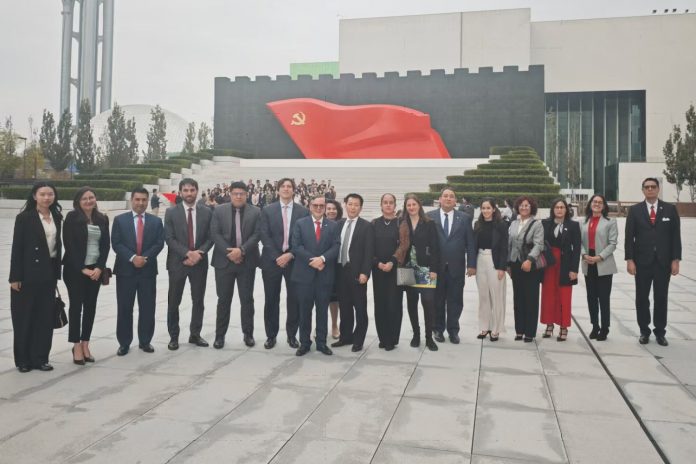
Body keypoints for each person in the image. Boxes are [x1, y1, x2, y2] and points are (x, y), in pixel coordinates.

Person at [9, 182, 63, 372]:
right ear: (34, 196)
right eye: (42, 194)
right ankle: (23, 360)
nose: (47, 198)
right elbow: (17, 249)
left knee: (44, 319)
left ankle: (40, 358)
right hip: (27, 275)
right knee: (24, 318)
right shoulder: (25, 218)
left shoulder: (57, 216)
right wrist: (14, 277)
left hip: (48, 275)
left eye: (50, 194)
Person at [625, 177, 682, 346]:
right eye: (647, 187)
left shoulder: (670, 210)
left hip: (663, 263)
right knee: (642, 298)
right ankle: (644, 331)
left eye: (653, 187)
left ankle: (660, 332)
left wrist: (676, 260)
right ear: (643, 190)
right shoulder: (635, 210)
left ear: (658, 189)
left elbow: (675, 237)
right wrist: (630, 260)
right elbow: (629, 238)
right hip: (641, 262)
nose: (650, 189)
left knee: (661, 297)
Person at [111, 187, 165, 356]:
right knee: (125, 308)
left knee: (148, 308)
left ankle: (145, 341)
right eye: (137, 199)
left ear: (148, 201)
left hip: (147, 271)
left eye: (144, 200)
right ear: (132, 200)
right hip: (125, 271)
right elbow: (116, 243)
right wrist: (133, 257)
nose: (141, 203)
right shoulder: (120, 220)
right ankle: (124, 343)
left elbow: (159, 243)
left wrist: (144, 258)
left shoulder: (156, 222)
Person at [259, 178, 309, 349]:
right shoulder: (267, 210)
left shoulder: (303, 211)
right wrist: (277, 256)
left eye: (289, 186)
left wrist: (290, 255)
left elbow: (304, 238)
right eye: (283, 186)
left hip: (294, 261)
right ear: (278, 190)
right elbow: (264, 235)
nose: (286, 189)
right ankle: (271, 335)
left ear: (294, 190)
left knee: (294, 299)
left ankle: (292, 335)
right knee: (271, 299)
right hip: (271, 261)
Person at [164, 178, 214, 351]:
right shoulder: (171, 213)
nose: (189, 193)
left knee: (198, 300)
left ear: (197, 191)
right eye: (185, 190)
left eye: (192, 190)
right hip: (178, 263)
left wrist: (199, 253)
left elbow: (211, 237)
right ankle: (174, 336)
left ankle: (195, 334)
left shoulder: (207, 212)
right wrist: (187, 253)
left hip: (199, 263)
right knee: (173, 301)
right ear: (180, 192)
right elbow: (169, 238)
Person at [211, 181, 261, 349]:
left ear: (246, 195)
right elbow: (215, 234)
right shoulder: (219, 210)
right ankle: (219, 336)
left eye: (242, 193)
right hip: (224, 262)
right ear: (230, 194)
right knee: (223, 300)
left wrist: (242, 251)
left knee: (247, 300)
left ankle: (248, 334)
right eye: (235, 193)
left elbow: (257, 235)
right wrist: (230, 253)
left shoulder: (256, 212)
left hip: (246, 262)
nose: (238, 196)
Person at [62, 187, 110, 364]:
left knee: (90, 307)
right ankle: (75, 345)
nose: (89, 201)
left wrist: (99, 267)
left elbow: (105, 246)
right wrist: (82, 268)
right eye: (84, 198)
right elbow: (69, 245)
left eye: (91, 197)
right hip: (75, 270)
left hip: (95, 269)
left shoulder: (102, 218)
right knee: (76, 307)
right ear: (78, 202)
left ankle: (85, 343)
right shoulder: (72, 218)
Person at [291, 195, 340, 356]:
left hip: (324, 276)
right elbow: (296, 246)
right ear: (310, 206)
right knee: (304, 311)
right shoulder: (300, 224)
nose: (319, 208)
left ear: (325, 207)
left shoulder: (332, 226)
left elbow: (336, 246)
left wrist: (322, 259)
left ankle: (321, 343)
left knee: (322, 311)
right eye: (315, 205)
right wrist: (313, 260)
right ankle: (304, 343)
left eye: (321, 206)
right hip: (304, 275)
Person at [427, 187, 476, 344]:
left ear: (456, 201)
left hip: (457, 267)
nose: (448, 198)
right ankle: (438, 329)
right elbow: (425, 243)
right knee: (437, 300)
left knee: (455, 301)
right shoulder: (430, 217)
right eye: (445, 196)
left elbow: (470, 243)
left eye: (451, 196)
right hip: (436, 268)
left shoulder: (464, 218)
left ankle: (453, 331)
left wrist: (472, 264)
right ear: (440, 199)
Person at [331, 193, 374, 352]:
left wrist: (365, 273)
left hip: (357, 273)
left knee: (360, 308)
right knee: (345, 306)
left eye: (356, 205)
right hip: (340, 271)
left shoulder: (366, 226)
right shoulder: (339, 224)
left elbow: (369, 252)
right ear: (345, 205)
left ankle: (358, 340)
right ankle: (345, 337)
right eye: (350, 204)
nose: (353, 207)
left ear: (360, 208)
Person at [402, 194, 440, 351]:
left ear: (419, 206)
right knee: (411, 303)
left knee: (428, 302)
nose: (411, 207)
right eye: (408, 205)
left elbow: (436, 248)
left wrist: (434, 270)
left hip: (425, 269)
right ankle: (416, 335)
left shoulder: (429, 223)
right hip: (406, 268)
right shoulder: (402, 223)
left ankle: (429, 337)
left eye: (414, 204)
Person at [372, 193, 409, 350]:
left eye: (391, 202)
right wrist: (378, 263)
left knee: (394, 304)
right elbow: (369, 246)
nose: (388, 205)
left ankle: (392, 339)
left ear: (395, 205)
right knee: (380, 305)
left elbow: (404, 244)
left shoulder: (401, 223)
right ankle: (383, 338)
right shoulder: (374, 223)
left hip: (396, 269)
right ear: (381, 205)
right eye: (385, 202)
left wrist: (392, 261)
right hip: (378, 270)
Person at [540, 198, 581, 341]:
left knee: (564, 295)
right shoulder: (545, 224)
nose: (559, 210)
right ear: (553, 209)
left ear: (566, 210)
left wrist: (574, 269)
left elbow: (576, 249)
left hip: (565, 264)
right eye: (557, 207)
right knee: (548, 294)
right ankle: (549, 324)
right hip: (549, 264)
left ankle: (564, 327)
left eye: (562, 207)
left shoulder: (574, 225)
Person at [581, 194, 618, 341]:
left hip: (603, 262)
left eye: (600, 202)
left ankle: (605, 327)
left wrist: (599, 257)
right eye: (594, 202)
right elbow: (579, 243)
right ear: (590, 204)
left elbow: (613, 243)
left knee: (603, 297)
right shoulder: (583, 222)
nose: (597, 204)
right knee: (591, 297)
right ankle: (595, 325)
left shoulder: (610, 222)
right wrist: (584, 255)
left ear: (604, 206)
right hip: (587, 261)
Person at [507, 196, 544, 342]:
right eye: (521, 205)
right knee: (518, 298)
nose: (524, 208)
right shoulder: (514, 223)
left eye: (527, 205)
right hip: (515, 264)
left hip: (530, 265)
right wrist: (508, 264)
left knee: (531, 298)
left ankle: (529, 332)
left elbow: (539, 244)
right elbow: (510, 243)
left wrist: (529, 259)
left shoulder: (536, 224)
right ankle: (519, 330)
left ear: (532, 208)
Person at [473, 198, 508, 342]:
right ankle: (484, 326)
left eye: (488, 208)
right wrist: (472, 265)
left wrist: (502, 268)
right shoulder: (477, 224)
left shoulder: (501, 225)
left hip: (495, 262)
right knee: (483, 296)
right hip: (480, 259)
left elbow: (505, 247)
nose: (485, 210)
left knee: (497, 296)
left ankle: (496, 329)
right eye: (483, 208)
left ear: (494, 209)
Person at [325, 199, 343, 339]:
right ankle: (319, 325)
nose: (331, 211)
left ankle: (334, 325)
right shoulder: (318, 224)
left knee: (334, 299)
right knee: (319, 298)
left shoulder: (342, 224)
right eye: (328, 208)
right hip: (320, 266)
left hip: (337, 267)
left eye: (334, 208)